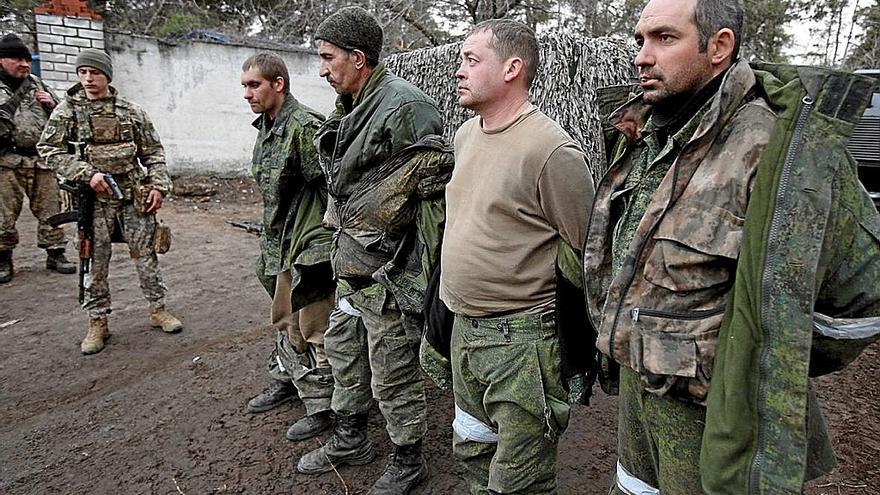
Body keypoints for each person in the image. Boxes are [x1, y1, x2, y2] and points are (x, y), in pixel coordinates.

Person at [582, 0, 880, 493]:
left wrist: (760, 358)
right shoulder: (647, 133)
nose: (641, 55)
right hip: (639, 401)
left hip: (716, 423)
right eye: (639, 40)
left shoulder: (778, 151)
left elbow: (864, 297)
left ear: (719, 46)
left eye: (664, 38)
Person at [295, 7, 454, 495]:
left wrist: (415, 280)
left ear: (358, 57)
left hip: (389, 271)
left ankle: (408, 459)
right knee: (345, 352)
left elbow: (430, 203)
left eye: (327, 58)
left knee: (392, 370)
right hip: (351, 262)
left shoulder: (405, 107)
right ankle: (351, 437)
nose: (321, 69)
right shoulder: (353, 103)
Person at [440, 19, 595, 494]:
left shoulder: (551, 150)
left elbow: (586, 246)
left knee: (519, 479)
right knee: (473, 448)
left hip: (521, 343)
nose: (458, 71)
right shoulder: (467, 134)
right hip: (464, 331)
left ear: (512, 68)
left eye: (471, 60)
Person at [37, 49, 183, 355]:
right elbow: (49, 150)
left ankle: (158, 309)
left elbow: (153, 153)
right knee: (94, 261)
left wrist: (158, 186)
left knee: (146, 256)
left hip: (132, 194)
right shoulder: (68, 111)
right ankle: (97, 321)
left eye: (95, 72)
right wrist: (86, 173)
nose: (88, 79)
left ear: (107, 75)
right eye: (83, 72)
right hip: (94, 201)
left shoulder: (131, 112)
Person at [240, 52, 337, 442]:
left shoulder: (303, 127)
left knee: (315, 327)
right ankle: (290, 381)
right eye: (244, 86)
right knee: (284, 321)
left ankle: (324, 406)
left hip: (306, 245)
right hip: (277, 243)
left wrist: (319, 242)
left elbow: (334, 186)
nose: (247, 94)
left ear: (278, 84)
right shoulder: (267, 126)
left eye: (254, 85)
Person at [0, 33, 75, 283]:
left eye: (27, 59)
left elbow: (65, 116)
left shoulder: (37, 84)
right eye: (16, 59)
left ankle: (56, 253)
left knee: (51, 209)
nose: (23, 64)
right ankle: (3, 258)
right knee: (3, 213)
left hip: (41, 159)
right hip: (6, 160)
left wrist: (52, 104)